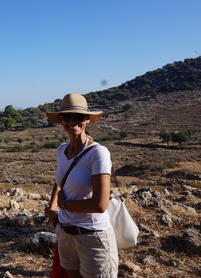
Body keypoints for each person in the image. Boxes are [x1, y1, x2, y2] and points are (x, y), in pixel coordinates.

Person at [46, 93, 118, 278]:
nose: (72, 121)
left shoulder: (98, 153)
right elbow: (60, 179)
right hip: (66, 234)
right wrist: (52, 209)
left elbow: (100, 205)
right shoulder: (61, 150)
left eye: (78, 116)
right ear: (61, 121)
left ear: (87, 119)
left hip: (92, 236)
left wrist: (64, 205)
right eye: (67, 116)